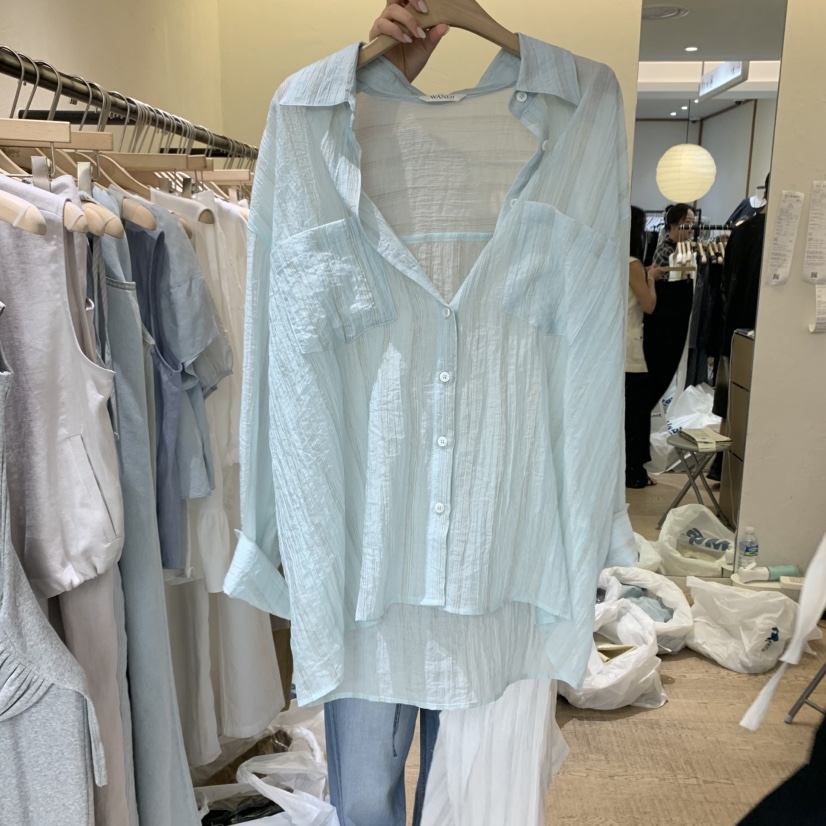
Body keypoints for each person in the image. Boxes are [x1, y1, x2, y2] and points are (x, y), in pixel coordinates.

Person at [322, 5, 449, 826]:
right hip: (367, 528)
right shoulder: (328, 168)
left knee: (466, 774)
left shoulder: (538, 159)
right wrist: (375, 76)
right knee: (367, 783)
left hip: (486, 532)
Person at [707, 173, 769, 481]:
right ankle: (736, 475)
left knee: (730, 400)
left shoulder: (742, 232)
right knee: (752, 402)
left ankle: (722, 468)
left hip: (733, 329)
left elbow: (724, 285)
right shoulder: (769, 233)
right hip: (759, 329)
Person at [643, 202, 696, 408]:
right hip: (664, 325)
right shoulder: (665, 251)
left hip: (678, 321)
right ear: (673, 224)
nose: (690, 227)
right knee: (659, 370)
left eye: (692, 223)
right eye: (686, 222)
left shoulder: (689, 251)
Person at [625, 206, 661, 488]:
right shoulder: (631, 263)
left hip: (609, 346)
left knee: (619, 413)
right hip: (630, 346)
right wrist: (652, 278)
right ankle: (634, 471)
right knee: (636, 414)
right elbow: (648, 305)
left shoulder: (604, 257)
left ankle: (621, 471)